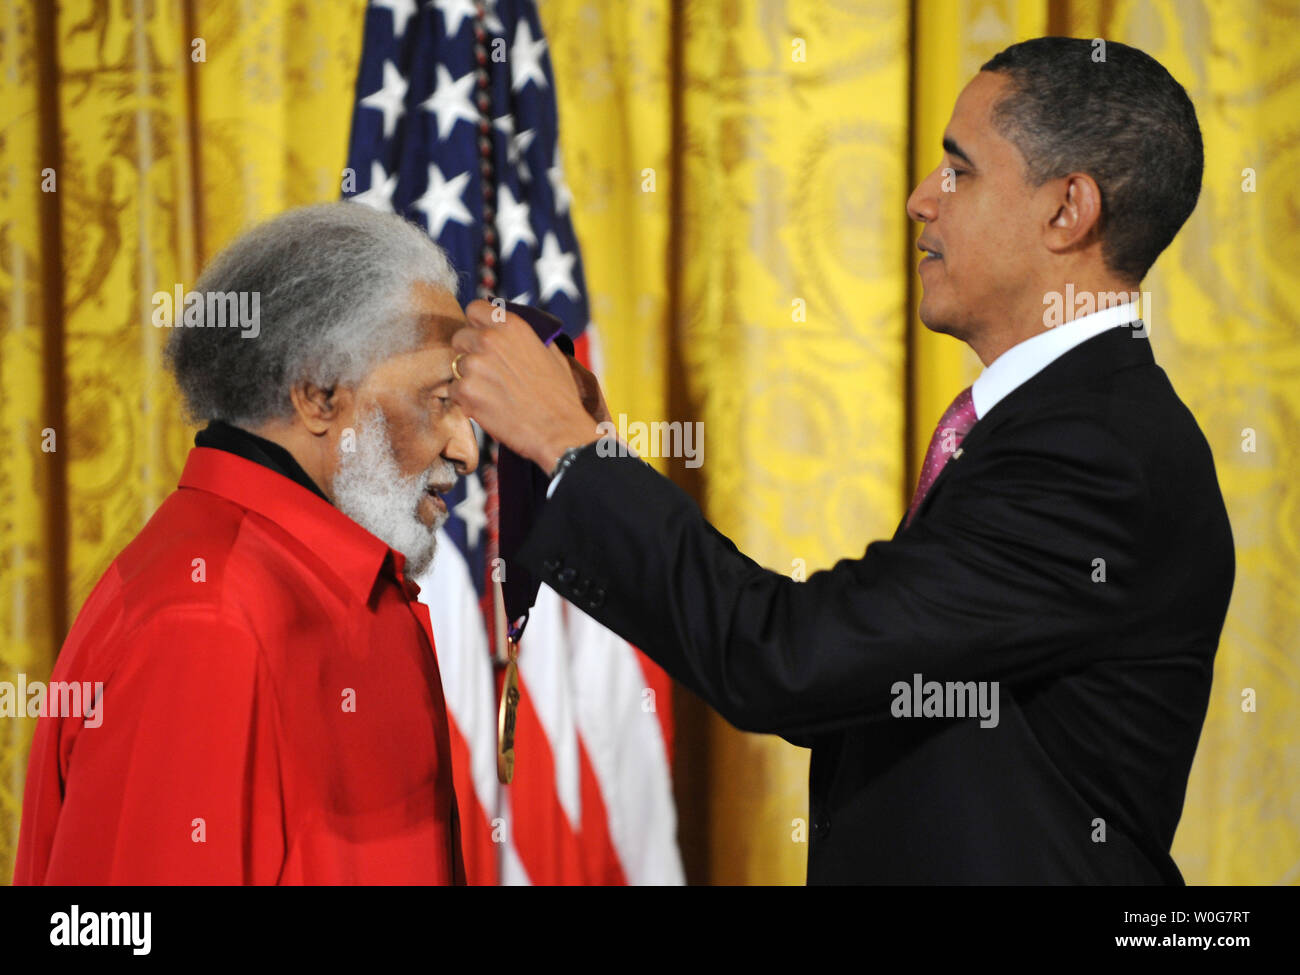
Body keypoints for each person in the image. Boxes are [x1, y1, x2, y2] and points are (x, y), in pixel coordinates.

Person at [447, 37, 1235, 883]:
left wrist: (568, 451)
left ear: (1066, 210)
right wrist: (590, 455)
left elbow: (789, 661)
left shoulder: (1097, 454)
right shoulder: (1064, 425)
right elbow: (861, 679)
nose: (918, 200)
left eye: (958, 171)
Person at [14, 202, 478, 884]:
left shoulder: (351, 584)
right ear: (319, 395)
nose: (466, 448)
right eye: (440, 399)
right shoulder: (204, 621)